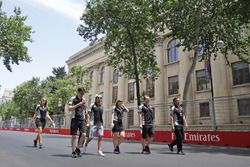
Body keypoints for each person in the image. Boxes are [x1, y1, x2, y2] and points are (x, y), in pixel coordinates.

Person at [68, 88, 87, 158]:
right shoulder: (72, 99)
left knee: (84, 134)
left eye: (83, 93)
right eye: (81, 93)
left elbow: (85, 109)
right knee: (74, 136)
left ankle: (77, 148)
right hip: (74, 118)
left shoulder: (84, 99)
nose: (82, 94)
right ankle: (73, 151)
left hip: (82, 119)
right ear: (78, 92)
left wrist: (84, 105)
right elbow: (69, 108)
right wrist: (79, 104)